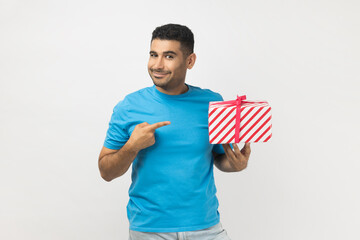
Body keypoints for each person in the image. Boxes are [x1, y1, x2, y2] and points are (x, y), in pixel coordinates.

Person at [98, 23, 251, 240]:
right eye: (153, 55)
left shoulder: (212, 103)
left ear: (190, 61)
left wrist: (235, 165)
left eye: (169, 56)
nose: (157, 65)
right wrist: (132, 146)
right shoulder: (129, 107)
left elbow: (219, 157)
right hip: (149, 229)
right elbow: (106, 171)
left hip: (205, 227)